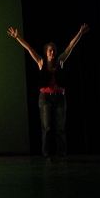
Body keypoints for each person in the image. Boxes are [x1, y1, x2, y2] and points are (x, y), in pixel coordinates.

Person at [8, 24, 88, 159]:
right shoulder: (41, 62)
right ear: (46, 52)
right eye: (50, 51)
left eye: (53, 51)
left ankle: (61, 153)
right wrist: (17, 37)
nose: (52, 53)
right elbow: (29, 48)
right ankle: (46, 154)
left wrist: (80, 32)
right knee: (47, 127)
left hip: (60, 97)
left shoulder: (60, 61)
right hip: (45, 98)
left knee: (60, 128)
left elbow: (70, 46)